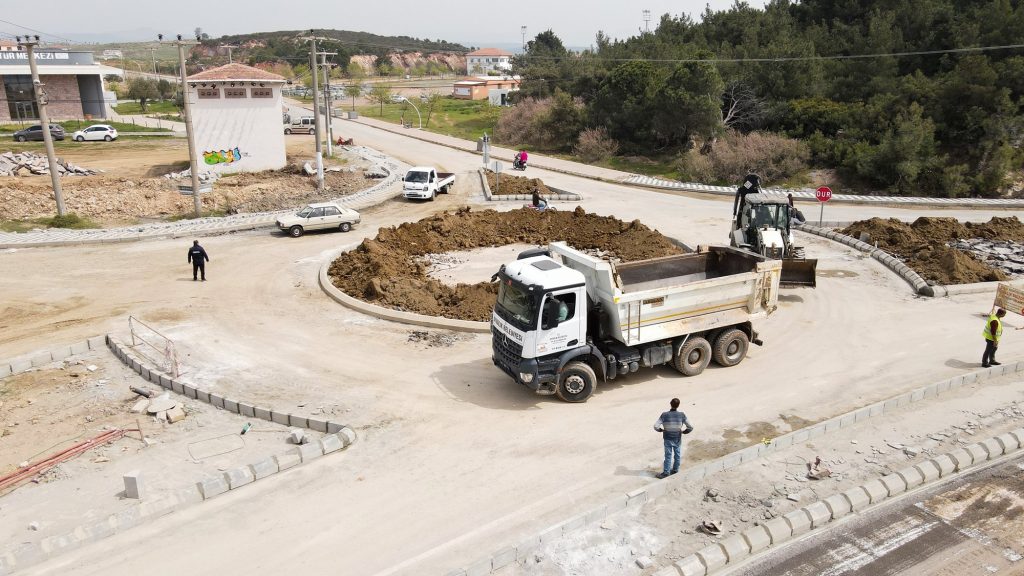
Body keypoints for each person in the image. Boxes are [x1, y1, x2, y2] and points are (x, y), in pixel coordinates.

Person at [653, 398, 694, 479]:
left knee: (668, 455)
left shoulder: (664, 415)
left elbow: (655, 426)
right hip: (677, 438)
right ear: (678, 405)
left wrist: (661, 430)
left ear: (670, 404)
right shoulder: (682, 415)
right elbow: (690, 427)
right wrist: (684, 432)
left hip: (667, 438)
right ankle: (675, 470)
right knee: (677, 454)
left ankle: (666, 472)